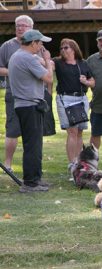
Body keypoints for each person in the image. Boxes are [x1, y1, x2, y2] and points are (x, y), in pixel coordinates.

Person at [8, 30, 53, 193]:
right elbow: (49, 78)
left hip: (24, 105)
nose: (41, 46)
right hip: (29, 106)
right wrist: (47, 61)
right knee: (33, 145)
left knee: (33, 144)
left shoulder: (17, 56)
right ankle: (30, 183)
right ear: (33, 43)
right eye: (40, 43)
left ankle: (35, 179)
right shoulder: (27, 58)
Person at [53, 38, 94, 171]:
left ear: (74, 49)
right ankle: (72, 164)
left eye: (66, 47)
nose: (63, 50)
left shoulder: (83, 63)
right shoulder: (58, 62)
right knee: (72, 131)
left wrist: (86, 82)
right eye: (62, 48)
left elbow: (92, 81)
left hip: (81, 99)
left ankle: (79, 162)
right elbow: (45, 64)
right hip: (65, 99)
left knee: (80, 131)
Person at [0, 15, 34, 172]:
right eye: (17, 25)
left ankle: (31, 165)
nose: (20, 28)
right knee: (12, 130)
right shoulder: (7, 46)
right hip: (13, 94)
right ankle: (7, 164)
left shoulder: (36, 45)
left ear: (31, 28)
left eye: (23, 26)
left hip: (32, 96)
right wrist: (16, 71)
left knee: (32, 133)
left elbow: (44, 65)